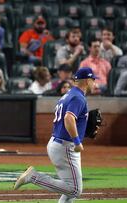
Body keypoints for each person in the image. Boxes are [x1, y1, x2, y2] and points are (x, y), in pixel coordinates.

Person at [14, 67, 98, 203]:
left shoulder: (69, 95)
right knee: (75, 190)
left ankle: (33, 177)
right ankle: (33, 177)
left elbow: (68, 121)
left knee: (68, 190)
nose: (95, 83)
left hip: (58, 143)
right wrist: (77, 141)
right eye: (93, 80)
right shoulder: (78, 98)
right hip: (66, 146)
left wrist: (82, 131)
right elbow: (68, 119)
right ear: (87, 80)